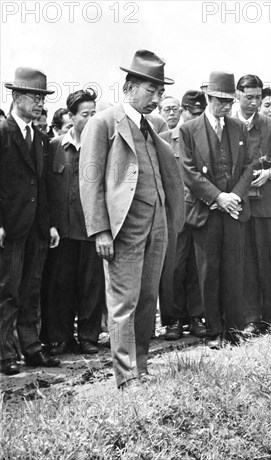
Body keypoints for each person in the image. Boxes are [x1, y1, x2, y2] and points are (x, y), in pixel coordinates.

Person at [80, 50, 184, 388]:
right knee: (123, 302)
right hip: (123, 227)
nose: (156, 99)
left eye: (159, 92)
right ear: (129, 87)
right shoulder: (104, 122)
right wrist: (100, 231)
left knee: (147, 297)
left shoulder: (153, 126)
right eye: (150, 91)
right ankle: (126, 377)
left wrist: (167, 220)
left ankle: (140, 366)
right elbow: (90, 179)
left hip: (157, 225)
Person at [179, 71, 254, 348]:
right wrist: (217, 196)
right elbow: (187, 171)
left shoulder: (238, 128)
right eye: (220, 101)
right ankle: (213, 331)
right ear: (209, 98)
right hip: (205, 211)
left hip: (233, 211)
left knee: (234, 269)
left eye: (229, 102)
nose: (225, 107)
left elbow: (249, 166)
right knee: (208, 271)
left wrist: (234, 196)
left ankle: (233, 329)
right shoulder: (189, 130)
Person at [0, 67, 61, 375]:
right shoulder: (3, 133)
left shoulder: (40, 138)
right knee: (7, 291)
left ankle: (31, 348)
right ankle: (5, 355)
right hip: (10, 228)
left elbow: (44, 186)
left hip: (36, 228)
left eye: (42, 97)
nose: (40, 103)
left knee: (30, 290)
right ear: (16, 97)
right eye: (35, 97)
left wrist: (49, 224)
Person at [42, 88, 105, 355]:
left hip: (92, 230)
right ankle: (61, 337)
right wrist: (50, 224)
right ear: (71, 115)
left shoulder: (103, 146)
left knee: (92, 286)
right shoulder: (54, 146)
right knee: (61, 287)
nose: (89, 119)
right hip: (62, 231)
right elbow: (44, 189)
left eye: (93, 114)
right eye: (84, 114)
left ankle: (89, 337)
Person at [234, 75, 271, 329]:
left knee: (270, 261)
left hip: (267, 204)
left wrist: (270, 172)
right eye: (249, 97)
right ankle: (251, 318)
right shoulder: (228, 124)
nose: (254, 103)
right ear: (237, 95)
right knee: (246, 261)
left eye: (258, 98)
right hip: (240, 204)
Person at [158, 90, 206, 340]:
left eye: (199, 113)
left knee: (196, 267)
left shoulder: (204, 139)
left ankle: (197, 316)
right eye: (190, 112)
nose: (193, 117)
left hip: (199, 211)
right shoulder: (164, 140)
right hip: (173, 214)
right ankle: (173, 320)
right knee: (173, 268)